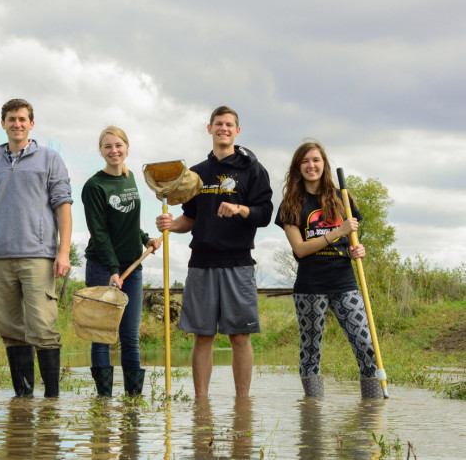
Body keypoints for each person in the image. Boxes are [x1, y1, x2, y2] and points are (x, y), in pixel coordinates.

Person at [156, 106, 273, 397]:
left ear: (237, 131)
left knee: (240, 337)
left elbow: (265, 214)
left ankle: (242, 404)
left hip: (238, 262)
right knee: (202, 337)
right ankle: (201, 404)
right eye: (218, 124)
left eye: (229, 124)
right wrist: (170, 226)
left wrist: (239, 208)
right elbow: (190, 219)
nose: (224, 128)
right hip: (201, 264)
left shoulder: (253, 170)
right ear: (209, 129)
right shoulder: (196, 174)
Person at [0, 98, 72, 398]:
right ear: (3, 124)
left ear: (31, 124)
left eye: (23, 119)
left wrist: (63, 252)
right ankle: (22, 401)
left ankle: (51, 400)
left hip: (38, 256)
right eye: (11, 119)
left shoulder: (50, 159)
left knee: (42, 327)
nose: (17, 123)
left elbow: (63, 207)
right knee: (10, 330)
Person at [275, 140, 382, 398]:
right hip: (311, 286)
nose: (311, 166)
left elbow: (352, 241)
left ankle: (373, 409)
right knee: (311, 350)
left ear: (324, 164)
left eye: (316, 160)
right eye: (305, 161)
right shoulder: (290, 205)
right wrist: (338, 232)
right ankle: (313, 414)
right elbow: (300, 250)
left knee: (366, 344)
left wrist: (358, 250)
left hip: (345, 283)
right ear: (297, 167)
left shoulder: (343, 199)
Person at [82, 126, 162, 396]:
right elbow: (100, 232)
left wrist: (145, 238)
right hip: (103, 268)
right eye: (107, 146)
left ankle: (133, 404)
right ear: (101, 151)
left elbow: (128, 222)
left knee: (130, 337)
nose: (114, 150)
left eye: (118, 145)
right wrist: (113, 271)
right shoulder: (94, 186)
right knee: (102, 336)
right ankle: (104, 403)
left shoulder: (130, 178)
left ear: (127, 147)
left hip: (132, 268)